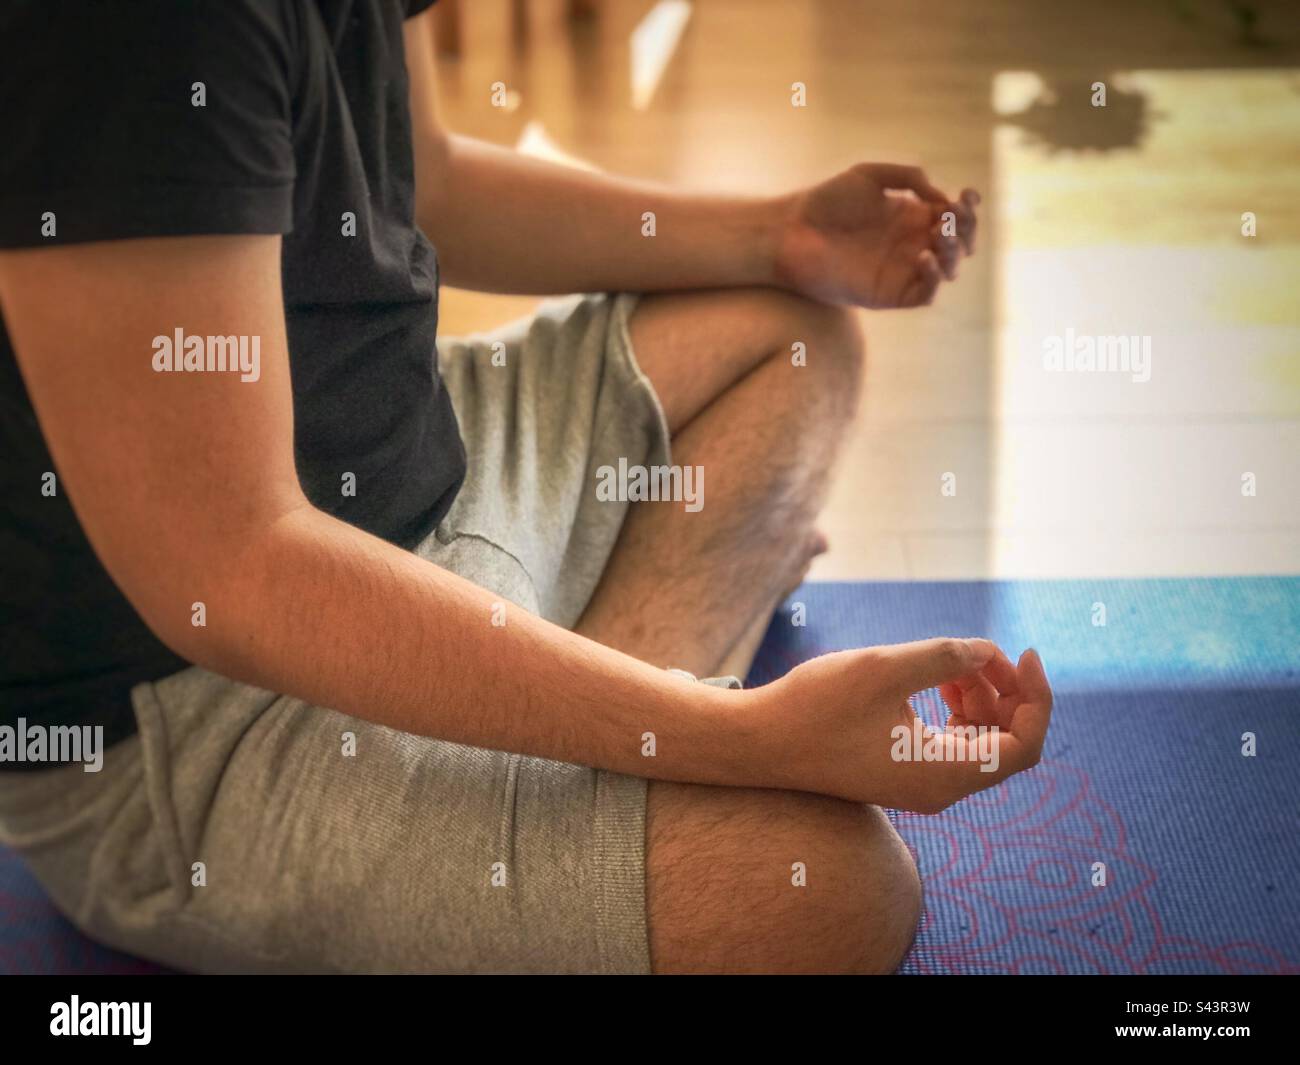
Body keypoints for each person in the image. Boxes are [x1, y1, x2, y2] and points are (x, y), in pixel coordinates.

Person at [0, 1, 1050, 974]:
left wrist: (782, 234)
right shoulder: (133, 33)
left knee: (792, 338)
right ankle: (607, 718)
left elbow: (435, 180)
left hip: (427, 461)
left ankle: (560, 734)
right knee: (824, 888)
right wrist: (745, 737)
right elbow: (235, 569)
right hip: (199, 709)